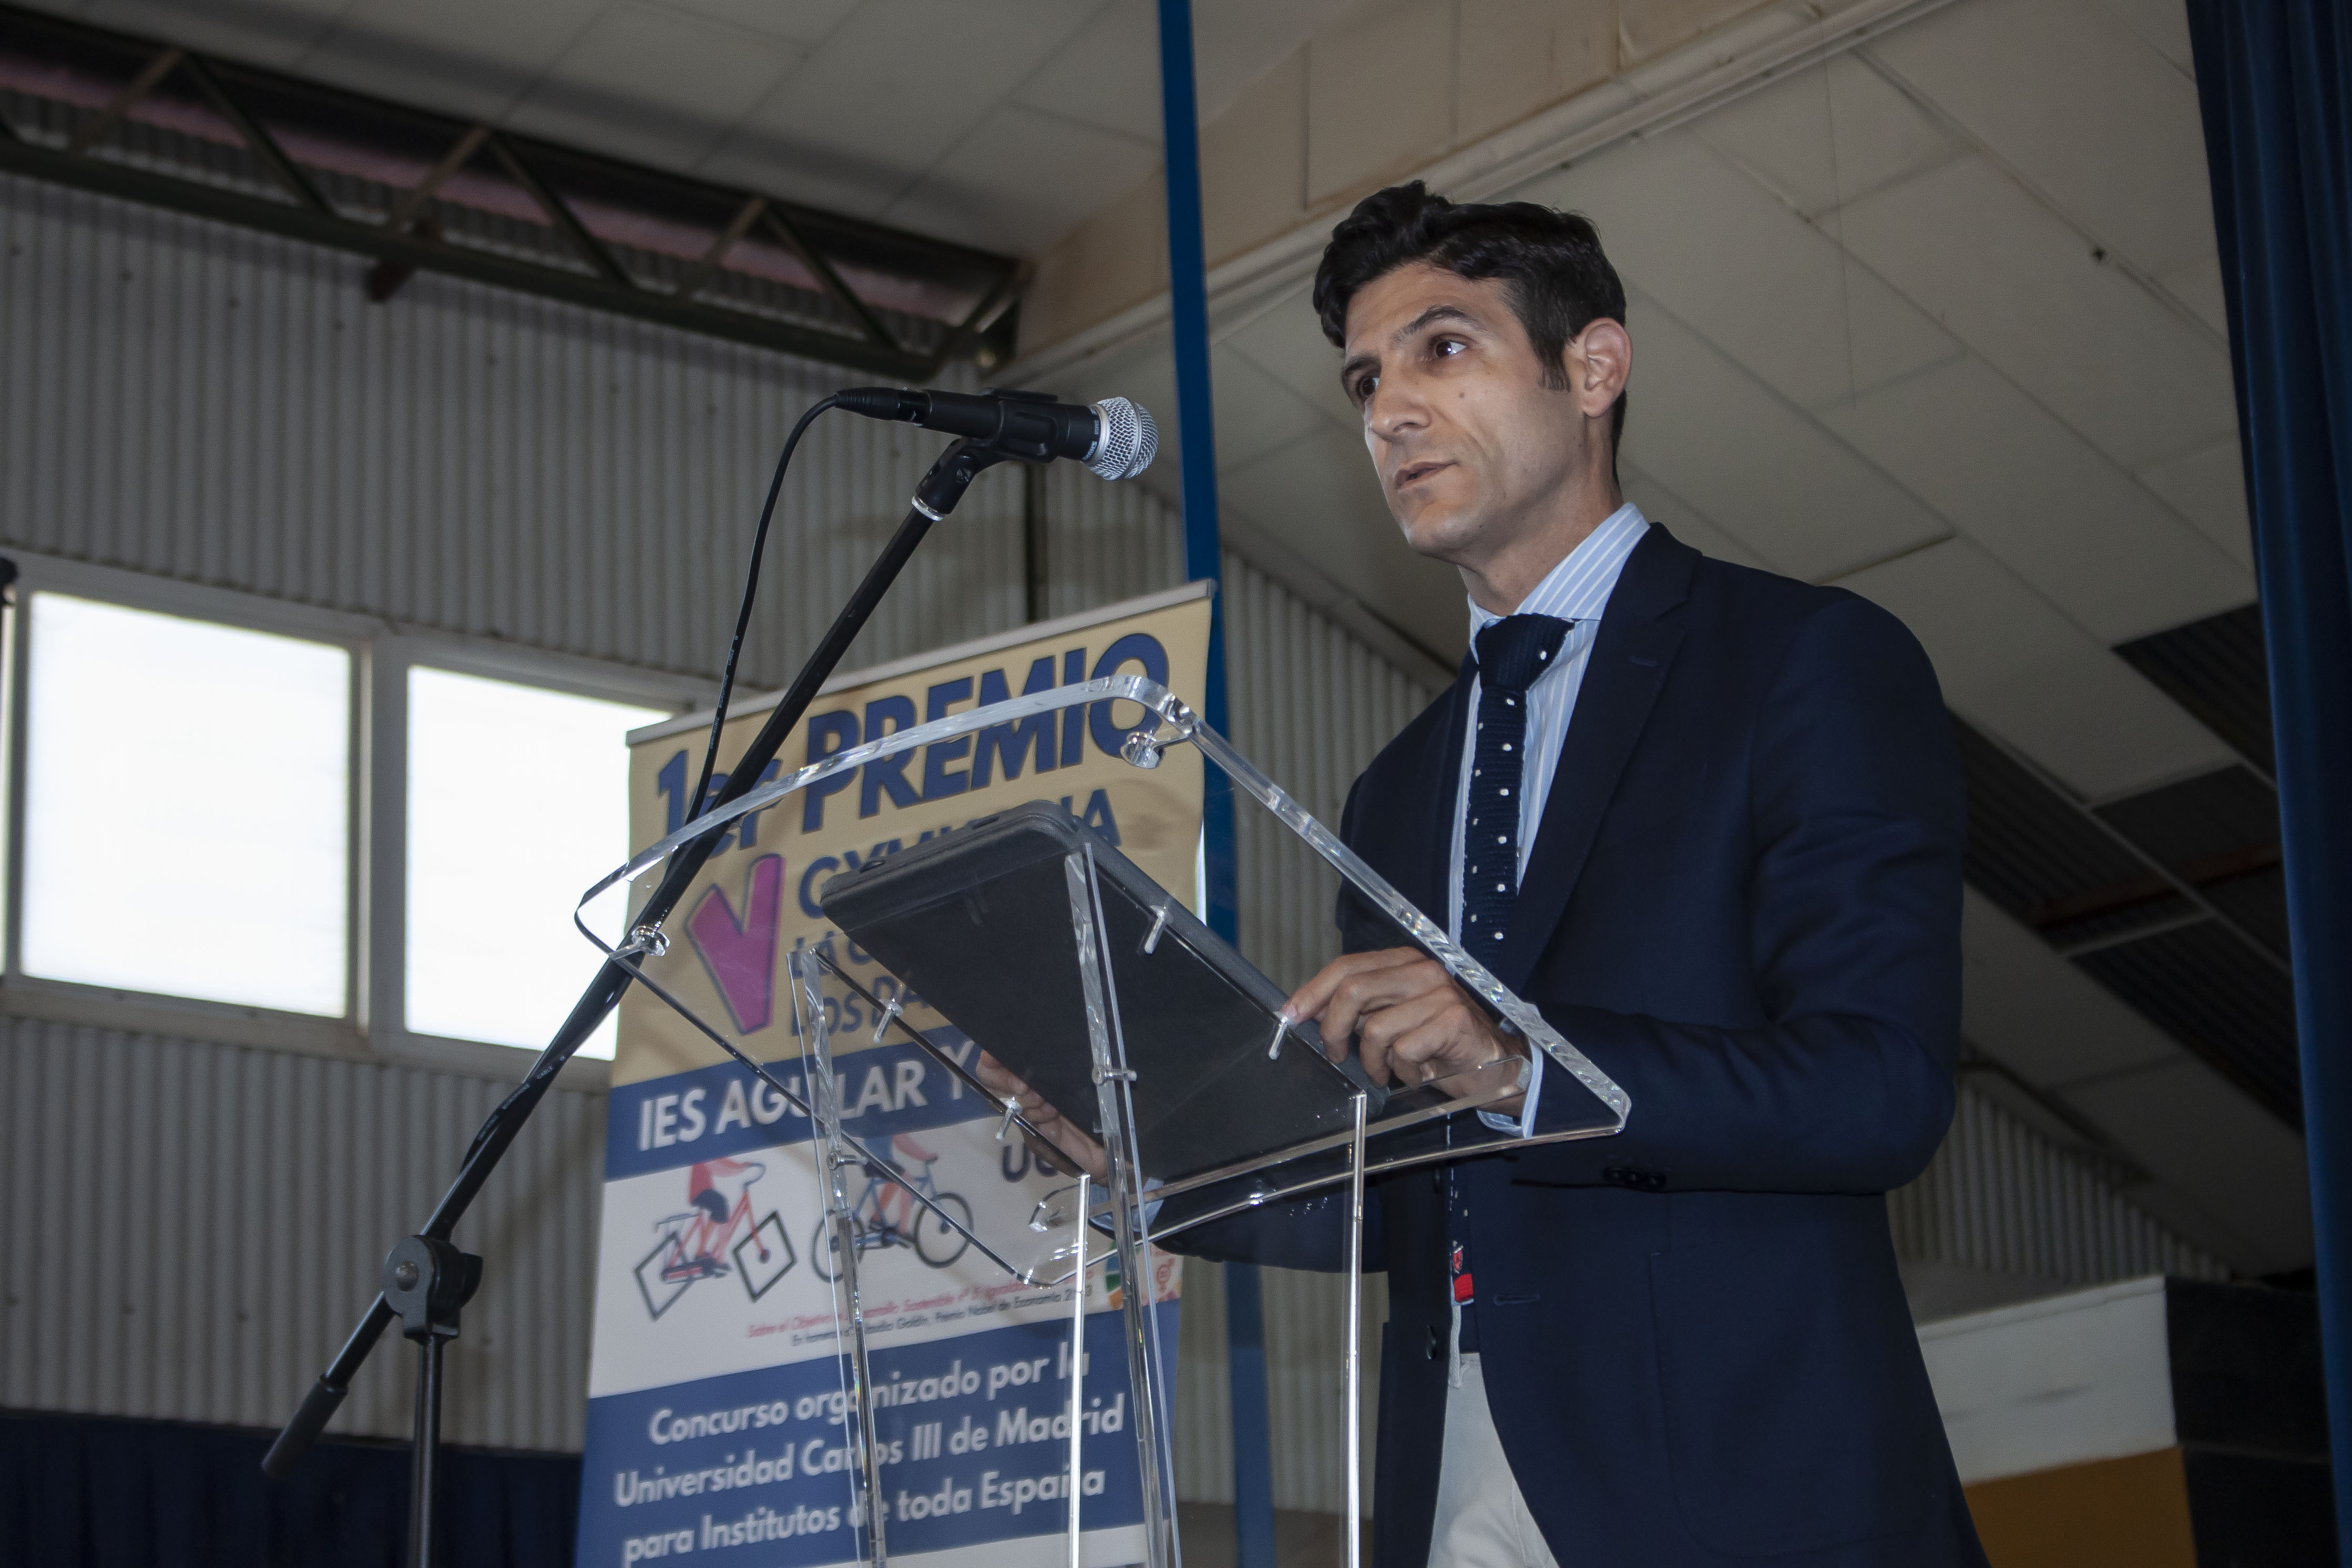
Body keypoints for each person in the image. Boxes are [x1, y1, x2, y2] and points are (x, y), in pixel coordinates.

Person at [983, 180, 1982, 1567]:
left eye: (1441, 349)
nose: (1389, 410)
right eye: (1364, 381)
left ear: (1594, 367)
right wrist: (1157, 1163)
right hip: (1451, 1482)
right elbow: (1415, 1192)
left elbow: (1877, 1090)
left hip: (1734, 1484)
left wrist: (1520, 1065)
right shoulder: (1394, 791)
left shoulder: (1798, 663)